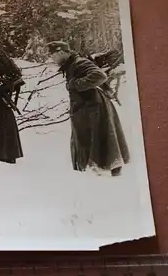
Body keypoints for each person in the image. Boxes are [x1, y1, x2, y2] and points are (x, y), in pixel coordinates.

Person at [47, 40, 130, 176]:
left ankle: (105, 172)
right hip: (88, 106)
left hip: (93, 106)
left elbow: (100, 76)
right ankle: (99, 170)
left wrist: (76, 84)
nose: (52, 58)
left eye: (53, 55)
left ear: (61, 52)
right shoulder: (72, 64)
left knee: (98, 137)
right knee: (96, 137)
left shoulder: (79, 63)